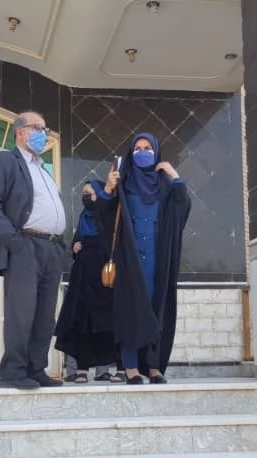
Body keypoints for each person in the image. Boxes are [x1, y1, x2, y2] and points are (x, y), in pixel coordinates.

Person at [92, 133, 190, 385]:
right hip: (130, 257)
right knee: (130, 311)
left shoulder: (164, 184)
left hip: (157, 258)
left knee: (156, 310)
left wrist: (173, 173)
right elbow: (103, 213)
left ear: (156, 152)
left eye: (148, 148)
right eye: (137, 148)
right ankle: (131, 367)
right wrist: (108, 188)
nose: (143, 152)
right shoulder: (123, 181)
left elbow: (183, 206)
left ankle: (153, 366)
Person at [0, 111, 67, 390]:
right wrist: (15, 241)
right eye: (37, 128)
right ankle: (14, 372)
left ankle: (35, 368)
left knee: (45, 315)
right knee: (22, 312)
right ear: (20, 132)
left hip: (51, 247)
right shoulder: (4, 161)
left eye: (45, 128)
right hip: (25, 244)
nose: (44, 134)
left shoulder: (43, 168)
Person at [54, 180, 122, 384]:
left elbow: (111, 242)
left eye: (90, 193)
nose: (86, 197)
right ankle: (80, 370)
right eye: (84, 193)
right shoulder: (84, 216)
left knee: (104, 322)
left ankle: (104, 369)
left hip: (103, 278)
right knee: (82, 321)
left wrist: (90, 245)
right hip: (82, 278)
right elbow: (77, 241)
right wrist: (75, 247)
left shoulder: (108, 214)